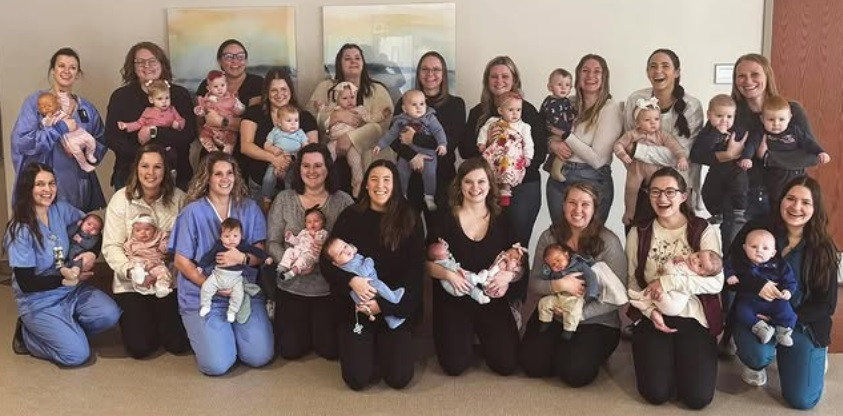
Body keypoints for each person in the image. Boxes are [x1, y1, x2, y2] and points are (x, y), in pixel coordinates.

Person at [726, 176, 837, 409]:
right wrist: (755, 285)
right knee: (758, 355)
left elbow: (826, 305)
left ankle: (808, 353)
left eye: (805, 202)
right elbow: (730, 267)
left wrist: (786, 317)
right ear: (781, 200)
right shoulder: (757, 229)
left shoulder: (823, 248)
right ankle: (759, 361)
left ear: (815, 208)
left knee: (803, 400)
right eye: (790, 199)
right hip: (757, 315)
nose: (796, 207)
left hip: (800, 321)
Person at [319, 160, 424, 390]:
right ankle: (369, 349)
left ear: (395, 184)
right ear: (366, 184)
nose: (380, 185)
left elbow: (415, 272)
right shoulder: (350, 216)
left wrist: (383, 306)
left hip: (393, 307)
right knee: (357, 379)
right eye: (374, 179)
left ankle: (380, 347)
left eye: (387, 180)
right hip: (357, 307)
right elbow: (326, 262)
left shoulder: (410, 217)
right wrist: (351, 281)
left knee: (399, 378)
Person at [4, 163, 121, 366]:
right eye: (40, 184)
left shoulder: (61, 209)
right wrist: (64, 280)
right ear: (27, 188)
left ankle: (65, 330)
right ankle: (28, 336)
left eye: (51, 183)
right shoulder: (21, 230)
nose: (48, 189)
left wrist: (92, 253)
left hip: (71, 290)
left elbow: (93, 230)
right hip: (38, 300)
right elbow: (26, 283)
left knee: (110, 314)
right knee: (76, 355)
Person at [626, 167, 724, 409]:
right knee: (656, 393)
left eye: (670, 191)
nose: (662, 198)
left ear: (684, 196)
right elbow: (632, 282)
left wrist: (668, 282)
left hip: (694, 315)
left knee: (698, 398)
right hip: (654, 313)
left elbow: (716, 282)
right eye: (655, 192)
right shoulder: (639, 232)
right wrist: (650, 312)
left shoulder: (702, 229)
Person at [169, 152, 274, 375]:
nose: (225, 179)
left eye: (229, 173)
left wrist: (242, 258)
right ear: (207, 178)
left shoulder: (249, 208)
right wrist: (211, 284)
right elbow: (181, 260)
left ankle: (230, 334)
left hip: (242, 290)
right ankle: (212, 334)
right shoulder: (192, 212)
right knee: (217, 365)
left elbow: (259, 252)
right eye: (218, 174)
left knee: (259, 356)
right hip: (204, 293)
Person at [519, 181, 627, 386]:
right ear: (563, 205)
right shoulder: (549, 237)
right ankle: (561, 349)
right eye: (572, 202)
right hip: (554, 314)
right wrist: (557, 286)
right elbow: (534, 283)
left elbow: (618, 296)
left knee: (574, 373)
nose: (578, 209)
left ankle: (575, 352)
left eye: (585, 204)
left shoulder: (609, 242)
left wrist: (579, 313)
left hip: (595, 320)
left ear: (595, 208)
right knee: (533, 365)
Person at [426, 158, 523, 376]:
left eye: (481, 181)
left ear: (490, 184)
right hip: (455, 297)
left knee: (507, 364)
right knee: (454, 366)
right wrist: (448, 275)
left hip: (490, 297)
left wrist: (508, 277)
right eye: (468, 182)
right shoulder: (444, 218)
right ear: (459, 185)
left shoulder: (503, 218)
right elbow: (425, 264)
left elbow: (518, 260)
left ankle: (483, 331)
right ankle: (468, 333)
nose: (475, 188)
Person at [266, 143, 354, 360]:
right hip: (291, 287)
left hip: (329, 288)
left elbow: (352, 245)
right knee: (291, 350)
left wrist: (326, 256)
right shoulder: (284, 199)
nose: (312, 171)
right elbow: (273, 242)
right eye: (306, 166)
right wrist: (293, 264)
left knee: (330, 350)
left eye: (318, 165)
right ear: (299, 169)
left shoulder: (343, 201)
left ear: (328, 168)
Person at [101, 144, 189, 359]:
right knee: (140, 347)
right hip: (132, 280)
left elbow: (187, 244)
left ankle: (160, 319)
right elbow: (111, 246)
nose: (151, 173)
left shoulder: (179, 199)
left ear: (166, 170)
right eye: (145, 166)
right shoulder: (121, 199)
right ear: (136, 169)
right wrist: (131, 271)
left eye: (157, 167)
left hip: (167, 280)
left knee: (177, 344)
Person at [461, 56, 547, 248]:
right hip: (485, 188)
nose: (499, 81)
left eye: (505, 76)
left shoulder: (527, 111)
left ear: (514, 79)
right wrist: (488, 142)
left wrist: (513, 169)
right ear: (487, 81)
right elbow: (465, 151)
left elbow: (540, 152)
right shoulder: (478, 113)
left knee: (517, 245)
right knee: (488, 244)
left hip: (523, 186)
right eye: (494, 76)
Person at [11, 47, 108, 212]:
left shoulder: (86, 109)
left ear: (78, 74)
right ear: (53, 70)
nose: (66, 71)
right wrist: (58, 129)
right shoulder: (36, 103)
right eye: (61, 66)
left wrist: (83, 150)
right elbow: (23, 142)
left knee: (75, 226)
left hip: (76, 190)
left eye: (72, 67)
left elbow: (101, 141)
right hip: (43, 188)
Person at [623, 49, 704, 222]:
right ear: (647, 72)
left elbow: (679, 155)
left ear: (677, 72)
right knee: (638, 236)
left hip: (678, 190)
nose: (658, 71)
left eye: (665, 66)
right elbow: (626, 141)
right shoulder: (636, 100)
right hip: (642, 188)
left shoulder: (692, 106)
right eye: (653, 66)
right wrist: (636, 165)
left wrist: (637, 150)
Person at [106, 41, 196, 190]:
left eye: (152, 61)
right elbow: (112, 138)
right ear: (133, 67)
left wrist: (154, 131)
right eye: (140, 62)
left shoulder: (180, 95)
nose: (147, 66)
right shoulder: (120, 97)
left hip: (177, 176)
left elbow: (188, 135)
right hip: (130, 175)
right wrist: (146, 159)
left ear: (162, 63)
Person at [306, 44, 394, 193]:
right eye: (347, 58)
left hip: (367, 158)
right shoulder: (325, 87)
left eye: (357, 58)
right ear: (339, 63)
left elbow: (382, 127)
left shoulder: (378, 90)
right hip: (332, 152)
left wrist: (351, 138)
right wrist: (335, 116)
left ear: (363, 63)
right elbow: (309, 119)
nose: (353, 61)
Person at [545, 54, 622, 224]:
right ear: (577, 75)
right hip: (559, 177)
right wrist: (551, 143)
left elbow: (598, 160)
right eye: (585, 71)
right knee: (560, 237)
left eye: (597, 71)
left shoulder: (610, 108)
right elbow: (546, 131)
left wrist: (566, 136)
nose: (590, 76)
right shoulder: (567, 103)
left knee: (589, 238)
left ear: (604, 77)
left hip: (592, 180)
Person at [392, 51, 466, 215]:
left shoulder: (456, 104)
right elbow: (394, 139)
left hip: (442, 179)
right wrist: (412, 156)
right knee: (407, 227)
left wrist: (414, 138)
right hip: (409, 177)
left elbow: (450, 142)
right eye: (425, 69)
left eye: (436, 69)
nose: (430, 74)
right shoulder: (405, 101)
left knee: (439, 228)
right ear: (418, 73)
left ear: (443, 74)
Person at [240, 67, 318, 204]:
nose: (279, 94)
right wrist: (274, 159)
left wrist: (289, 161)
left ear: (290, 90)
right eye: (274, 90)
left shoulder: (305, 117)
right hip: (259, 185)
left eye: (283, 89)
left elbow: (313, 151)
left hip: (296, 186)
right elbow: (246, 146)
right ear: (267, 92)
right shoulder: (254, 113)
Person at [615, 97, 688, 225]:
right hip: (636, 170)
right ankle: (629, 213)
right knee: (631, 189)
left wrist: (681, 157)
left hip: (656, 173)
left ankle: (659, 214)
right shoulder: (632, 134)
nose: (653, 123)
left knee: (659, 191)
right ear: (637, 123)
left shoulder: (662, 135)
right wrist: (622, 154)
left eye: (656, 119)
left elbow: (676, 147)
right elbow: (618, 145)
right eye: (647, 120)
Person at [747, 96, 830, 208]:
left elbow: (809, 143)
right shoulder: (762, 133)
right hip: (776, 179)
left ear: (790, 118)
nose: (776, 124)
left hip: (798, 176)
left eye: (781, 119)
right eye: (771, 120)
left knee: (800, 203)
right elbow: (751, 145)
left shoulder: (795, 131)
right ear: (762, 119)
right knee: (779, 205)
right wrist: (746, 157)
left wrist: (820, 152)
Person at [690, 94, 750, 247]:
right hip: (717, 169)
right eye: (719, 116)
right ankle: (717, 213)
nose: (724, 120)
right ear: (709, 115)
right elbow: (699, 152)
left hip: (736, 168)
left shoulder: (738, 129)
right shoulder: (708, 132)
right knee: (707, 191)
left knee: (740, 185)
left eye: (729, 116)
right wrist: (718, 133)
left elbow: (748, 143)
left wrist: (746, 157)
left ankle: (739, 210)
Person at [725, 229, 796, 347]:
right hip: (748, 301)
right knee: (741, 312)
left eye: (765, 248)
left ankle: (784, 331)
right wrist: (730, 275)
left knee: (786, 310)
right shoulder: (739, 262)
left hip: (774, 300)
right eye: (753, 247)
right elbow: (726, 266)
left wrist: (787, 291)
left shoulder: (780, 265)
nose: (759, 250)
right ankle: (761, 329)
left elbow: (789, 280)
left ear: (773, 253)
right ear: (745, 248)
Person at [324, 236, 406, 330]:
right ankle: (394, 297)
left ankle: (392, 321)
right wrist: (369, 260)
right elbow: (363, 272)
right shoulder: (349, 265)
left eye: (345, 246)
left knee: (381, 300)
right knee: (379, 285)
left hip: (365, 290)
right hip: (366, 288)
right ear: (336, 263)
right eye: (341, 253)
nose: (346, 251)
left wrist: (354, 251)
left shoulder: (350, 258)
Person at [197, 217, 270, 323]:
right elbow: (209, 256)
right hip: (218, 275)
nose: (231, 239)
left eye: (235, 236)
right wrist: (201, 266)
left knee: (238, 295)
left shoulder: (242, 246)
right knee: (206, 287)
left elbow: (255, 250)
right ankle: (205, 305)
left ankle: (232, 311)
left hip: (235, 278)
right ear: (221, 237)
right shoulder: (218, 246)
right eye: (227, 236)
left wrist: (266, 257)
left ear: (241, 236)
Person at [477, 91, 534, 207]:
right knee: (488, 169)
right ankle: (490, 189)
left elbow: (529, 143)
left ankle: (505, 190)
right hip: (495, 154)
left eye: (518, 110)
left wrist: (528, 157)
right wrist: (481, 143)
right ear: (500, 111)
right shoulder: (493, 122)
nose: (515, 113)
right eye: (511, 110)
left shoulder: (523, 127)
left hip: (512, 156)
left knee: (507, 170)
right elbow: (483, 131)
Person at [627, 249, 723, 317]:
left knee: (656, 290)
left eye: (700, 265)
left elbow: (669, 273)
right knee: (655, 287)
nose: (695, 260)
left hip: (672, 305)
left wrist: (671, 262)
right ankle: (644, 302)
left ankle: (643, 300)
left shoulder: (691, 274)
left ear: (703, 275)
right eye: (698, 255)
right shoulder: (686, 264)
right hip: (671, 301)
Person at [320, 81, 373, 196]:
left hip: (353, 142)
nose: (349, 101)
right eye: (344, 98)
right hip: (334, 141)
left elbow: (370, 121)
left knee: (356, 163)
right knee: (326, 157)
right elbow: (324, 123)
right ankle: (323, 180)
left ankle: (358, 187)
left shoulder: (359, 110)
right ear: (337, 99)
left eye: (352, 97)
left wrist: (378, 116)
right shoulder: (334, 110)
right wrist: (321, 108)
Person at [536, 243, 599, 337]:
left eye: (558, 260)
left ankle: (568, 330)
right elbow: (546, 281)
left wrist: (592, 293)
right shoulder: (554, 273)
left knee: (574, 312)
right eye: (553, 264)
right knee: (543, 302)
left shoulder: (579, 265)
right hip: (559, 296)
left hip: (575, 297)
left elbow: (591, 276)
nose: (557, 264)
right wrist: (547, 273)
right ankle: (545, 321)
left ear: (566, 255)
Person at [35, 92, 99, 173]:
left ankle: (89, 154)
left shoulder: (61, 111)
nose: (47, 108)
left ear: (57, 104)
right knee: (76, 151)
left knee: (91, 141)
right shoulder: (47, 119)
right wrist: (49, 119)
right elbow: (46, 126)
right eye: (43, 107)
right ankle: (84, 164)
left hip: (78, 131)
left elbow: (70, 111)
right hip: (69, 138)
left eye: (50, 105)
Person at [260, 104, 309, 204]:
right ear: (279, 122)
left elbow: (306, 147)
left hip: (294, 161)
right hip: (277, 159)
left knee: (291, 180)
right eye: (289, 120)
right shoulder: (275, 131)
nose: (293, 124)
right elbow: (266, 145)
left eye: (296, 120)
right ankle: (266, 197)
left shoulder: (300, 133)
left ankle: (289, 200)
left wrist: (302, 154)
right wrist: (273, 149)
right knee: (268, 178)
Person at [196, 39, 264, 108]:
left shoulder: (259, 83)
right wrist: (250, 102)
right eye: (228, 57)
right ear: (219, 61)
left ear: (246, 60)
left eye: (240, 56)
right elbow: (199, 112)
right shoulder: (208, 83)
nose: (235, 61)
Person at [194, 70, 246, 154]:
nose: (220, 89)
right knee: (203, 137)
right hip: (211, 129)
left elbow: (240, 112)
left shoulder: (232, 98)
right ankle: (213, 151)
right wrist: (199, 111)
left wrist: (238, 107)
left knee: (231, 139)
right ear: (209, 88)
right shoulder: (207, 100)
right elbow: (203, 111)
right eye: (215, 86)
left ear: (226, 85)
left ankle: (227, 152)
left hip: (228, 129)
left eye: (222, 85)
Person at [123, 213, 172, 299]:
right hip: (140, 264)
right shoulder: (131, 243)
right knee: (135, 265)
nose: (143, 233)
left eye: (147, 229)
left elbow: (165, 250)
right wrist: (132, 260)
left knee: (163, 271)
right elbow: (128, 254)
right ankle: (139, 278)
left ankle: (162, 287)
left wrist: (165, 244)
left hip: (155, 264)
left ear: (155, 230)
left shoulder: (158, 238)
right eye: (138, 230)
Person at [539, 68, 576, 180]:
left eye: (567, 85)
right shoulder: (551, 103)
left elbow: (570, 113)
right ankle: (556, 168)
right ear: (550, 87)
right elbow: (554, 120)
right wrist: (567, 131)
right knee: (566, 146)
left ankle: (550, 164)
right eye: (559, 84)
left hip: (562, 131)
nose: (563, 88)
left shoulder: (566, 101)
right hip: (553, 132)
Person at [276, 206, 328, 280]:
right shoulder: (303, 232)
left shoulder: (323, 233)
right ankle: (283, 267)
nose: (312, 223)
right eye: (309, 222)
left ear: (323, 223)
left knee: (302, 260)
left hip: (310, 255)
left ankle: (292, 273)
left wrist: (314, 236)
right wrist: (290, 238)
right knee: (289, 250)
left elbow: (321, 243)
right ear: (305, 224)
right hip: (298, 251)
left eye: (316, 221)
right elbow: (297, 241)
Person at [60, 213, 103, 286]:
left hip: (79, 254)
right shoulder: (77, 229)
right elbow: (68, 233)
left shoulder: (94, 237)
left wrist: (80, 240)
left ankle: (73, 276)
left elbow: (90, 245)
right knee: (62, 266)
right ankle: (64, 277)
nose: (91, 228)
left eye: (95, 229)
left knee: (77, 264)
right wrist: (77, 226)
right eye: (89, 224)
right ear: (82, 222)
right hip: (67, 251)